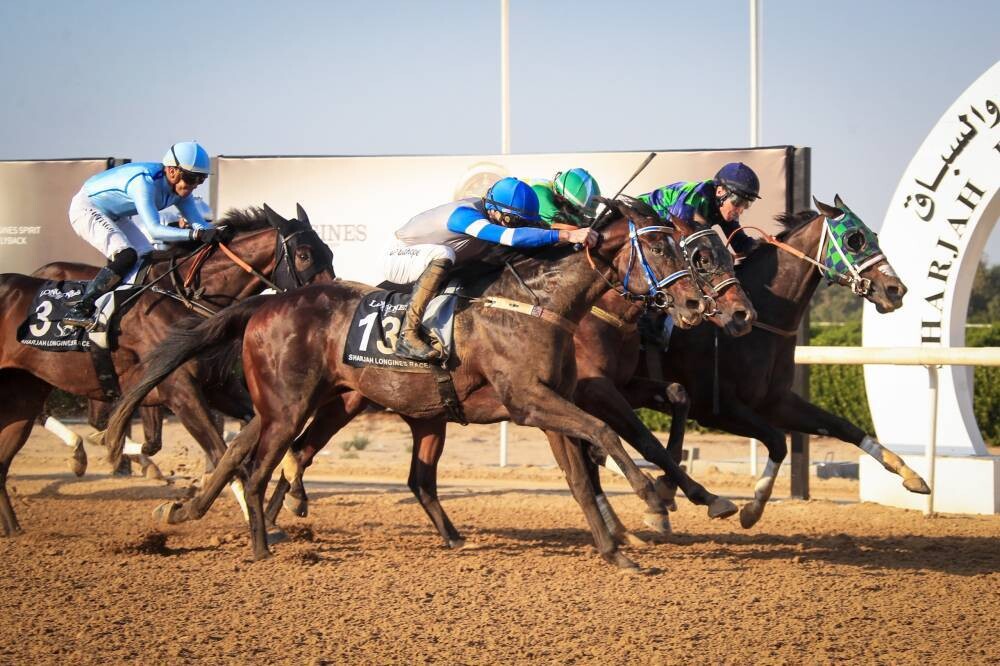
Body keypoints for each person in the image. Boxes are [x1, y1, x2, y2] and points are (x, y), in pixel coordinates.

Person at [386, 176, 599, 361]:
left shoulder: (496, 211)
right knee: (445, 253)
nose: (516, 225)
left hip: (434, 263)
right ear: (495, 211)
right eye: (514, 220)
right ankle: (408, 335)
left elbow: (531, 233)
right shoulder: (464, 216)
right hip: (398, 257)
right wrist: (567, 235)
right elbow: (511, 236)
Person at [62, 142, 219, 329]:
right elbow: (154, 230)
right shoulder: (144, 182)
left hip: (114, 215)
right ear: (172, 171)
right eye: (192, 178)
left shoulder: (182, 191)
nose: (195, 185)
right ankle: (80, 309)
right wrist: (195, 234)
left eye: (201, 179)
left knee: (149, 259)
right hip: (86, 209)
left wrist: (220, 232)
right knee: (126, 256)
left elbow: (200, 226)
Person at [639, 161, 762, 257]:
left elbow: (741, 244)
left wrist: (766, 246)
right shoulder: (694, 198)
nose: (740, 210)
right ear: (720, 192)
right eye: (737, 202)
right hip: (639, 215)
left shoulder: (726, 207)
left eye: (746, 204)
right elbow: (683, 241)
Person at [530, 168, 602, 227]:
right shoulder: (542, 196)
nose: (580, 214)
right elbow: (566, 226)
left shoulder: (555, 189)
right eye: (576, 210)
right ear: (561, 198)